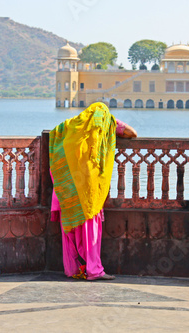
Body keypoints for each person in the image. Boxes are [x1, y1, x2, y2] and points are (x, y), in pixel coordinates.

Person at [49, 102, 137, 280]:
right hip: (88, 190)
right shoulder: (105, 122)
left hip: (67, 187)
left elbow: (54, 135)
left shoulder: (70, 125)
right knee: (90, 229)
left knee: (70, 228)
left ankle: (72, 269)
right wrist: (111, 120)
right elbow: (132, 133)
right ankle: (94, 270)